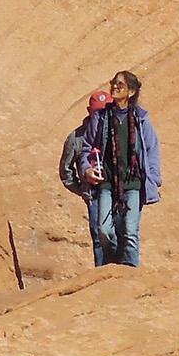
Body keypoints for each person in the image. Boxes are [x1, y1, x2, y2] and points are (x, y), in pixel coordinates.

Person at [80, 70, 161, 267]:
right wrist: (87, 170)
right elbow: (86, 148)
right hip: (107, 182)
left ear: (131, 92)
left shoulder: (141, 120)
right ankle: (114, 264)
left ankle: (131, 277)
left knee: (130, 232)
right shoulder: (100, 118)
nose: (115, 87)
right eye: (113, 83)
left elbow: (151, 150)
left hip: (133, 183)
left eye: (120, 85)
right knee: (104, 230)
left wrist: (154, 179)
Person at [60, 89, 113, 264]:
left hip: (117, 191)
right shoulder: (76, 138)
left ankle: (125, 277)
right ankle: (103, 278)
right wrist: (83, 189)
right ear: (90, 112)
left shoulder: (119, 133)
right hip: (94, 195)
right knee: (99, 238)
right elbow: (66, 171)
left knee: (123, 234)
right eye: (98, 111)